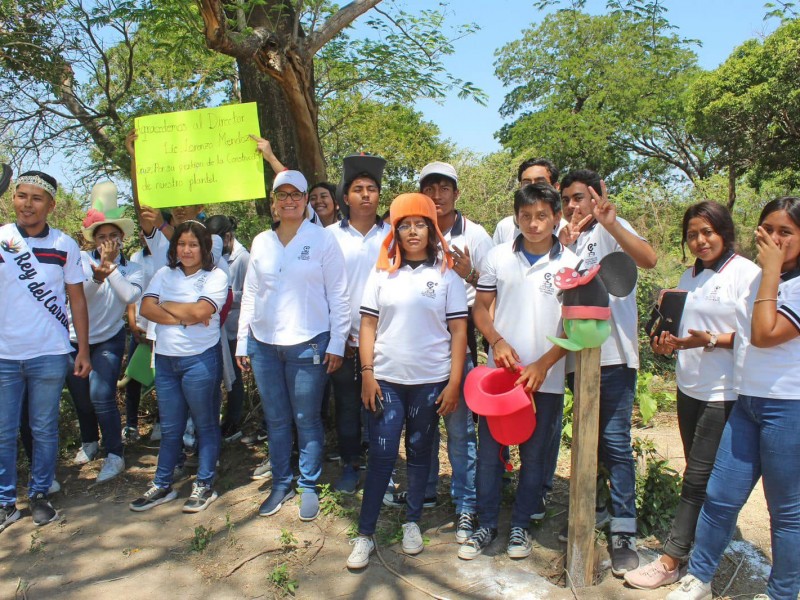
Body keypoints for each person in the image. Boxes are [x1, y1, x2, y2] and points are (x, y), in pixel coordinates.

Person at [667, 197, 800, 600]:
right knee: (720, 495)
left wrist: (771, 269)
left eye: (786, 232)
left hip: (787, 407)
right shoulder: (762, 278)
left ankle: (782, 592)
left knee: (785, 512)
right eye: (769, 230)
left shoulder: (778, 280)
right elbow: (743, 336)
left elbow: (763, 333)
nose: (775, 239)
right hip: (747, 402)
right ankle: (700, 577)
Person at [623, 202, 759, 590]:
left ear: (725, 231)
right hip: (689, 387)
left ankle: (672, 559)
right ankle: (711, 534)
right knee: (698, 471)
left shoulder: (747, 275)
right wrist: (668, 344)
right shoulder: (689, 276)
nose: (700, 241)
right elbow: (681, 332)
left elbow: (758, 334)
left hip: (725, 390)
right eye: (693, 235)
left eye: (708, 233)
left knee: (697, 477)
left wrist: (712, 340)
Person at [347, 193, 468, 570]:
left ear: (432, 230)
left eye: (420, 224)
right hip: (386, 382)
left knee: (420, 453)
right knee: (382, 456)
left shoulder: (446, 274)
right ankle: (365, 533)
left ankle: (412, 521)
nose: (412, 231)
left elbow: (459, 332)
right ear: (394, 230)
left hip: (431, 383)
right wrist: (367, 374)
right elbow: (368, 325)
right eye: (404, 224)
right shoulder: (382, 272)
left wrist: (453, 382)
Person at [461, 183, 580, 559]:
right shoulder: (498, 257)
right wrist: (496, 341)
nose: (533, 223)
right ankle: (485, 525)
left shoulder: (572, 265)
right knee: (490, 453)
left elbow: (575, 327)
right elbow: (480, 308)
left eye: (542, 216)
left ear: (556, 217)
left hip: (545, 380)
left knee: (535, 458)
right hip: (503, 379)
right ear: (516, 217)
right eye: (526, 216)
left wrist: (545, 364)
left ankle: (520, 527)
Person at [559, 169, 657, 575]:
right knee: (588, 439)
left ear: (598, 196)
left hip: (615, 357)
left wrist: (611, 222)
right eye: (566, 198)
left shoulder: (612, 227)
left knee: (615, 442)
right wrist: (562, 247)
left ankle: (623, 532)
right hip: (575, 359)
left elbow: (649, 260)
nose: (572, 206)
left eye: (579, 197)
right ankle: (594, 510)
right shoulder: (566, 240)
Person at [236, 170, 349, 521]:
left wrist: (338, 342)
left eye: (296, 195)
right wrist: (243, 341)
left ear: (305, 201)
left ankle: (310, 484)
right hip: (264, 344)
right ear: (273, 202)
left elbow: (339, 295)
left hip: (309, 343)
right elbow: (251, 293)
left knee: (306, 417)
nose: (289, 201)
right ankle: (282, 482)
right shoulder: (261, 242)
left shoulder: (323, 239)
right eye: (281, 195)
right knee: (277, 418)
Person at [392, 161, 491, 544]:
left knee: (460, 427)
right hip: (421, 336)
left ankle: (466, 503)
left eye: (444, 187)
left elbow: (493, 287)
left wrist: (469, 274)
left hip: (461, 330)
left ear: (456, 192)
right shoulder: (413, 232)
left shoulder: (476, 235)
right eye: (429, 187)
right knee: (423, 424)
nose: (437, 194)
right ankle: (426, 489)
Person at [0, 171, 91, 532]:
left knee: (43, 428)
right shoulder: (3, 239)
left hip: (50, 353)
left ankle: (40, 495)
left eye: (36, 198)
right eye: (21, 196)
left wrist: (82, 349)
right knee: (4, 430)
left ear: (51, 205)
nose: (27, 204)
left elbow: (77, 299)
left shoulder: (65, 245)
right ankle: (6, 501)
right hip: (4, 354)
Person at [129, 221, 228, 513]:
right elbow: (145, 308)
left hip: (200, 359)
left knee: (205, 423)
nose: (187, 250)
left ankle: (204, 483)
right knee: (171, 427)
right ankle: (162, 484)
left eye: (194, 244)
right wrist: (183, 315)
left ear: (204, 248)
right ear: (174, 248)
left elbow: (202, 310)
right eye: (182, 244)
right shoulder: (163, 273)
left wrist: (168, 305)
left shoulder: (216, 277)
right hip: (166, 360)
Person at [66, 182, 143, 482]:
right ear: (92, 241)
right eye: (102, 237)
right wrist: (98, 277)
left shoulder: (132, 267)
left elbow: (129, 297)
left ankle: (115, 453)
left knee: (101, 394)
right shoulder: (82, 262)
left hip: (110, 338)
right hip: (76, 338)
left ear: (122, 238)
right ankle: (90, 442)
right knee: (81, 397)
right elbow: (80, 296)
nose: (108, 241)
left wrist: (110, 269)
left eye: (113, 236)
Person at [327, 154, 388, 494]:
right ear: (345, 197)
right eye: (358, 189)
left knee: (382, 407)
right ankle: (350, 464)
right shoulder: (328, 236)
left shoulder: (393, 235)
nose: (366, 195)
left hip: (384, 339)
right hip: (342, 338)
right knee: (347, 406)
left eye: (372, 189)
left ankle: (383, 468)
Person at [206, 215, 250, 443]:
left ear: (228, 236)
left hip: (235, 326)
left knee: (234, 379)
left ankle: (233, 422)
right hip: (218, 328)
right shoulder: (216, 257)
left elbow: (252, 292)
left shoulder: (243, 258)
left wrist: (226, 295)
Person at [123, 227, 161, 441]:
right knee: (133, 378)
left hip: (158, 329)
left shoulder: (167, 257)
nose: (145, 237)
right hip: (138, 327)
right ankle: (131, 425)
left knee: (160, 379)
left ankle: (159, 422)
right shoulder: (135, 257)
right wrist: (133, 324)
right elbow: (131, 294)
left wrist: (154, 330)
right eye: (143, 233)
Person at [493, 158, 564, 245]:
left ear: (556, 187)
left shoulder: (566, 231)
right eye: (527, 183)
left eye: (540, 182)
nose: (533, 187)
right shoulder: (504, 227)